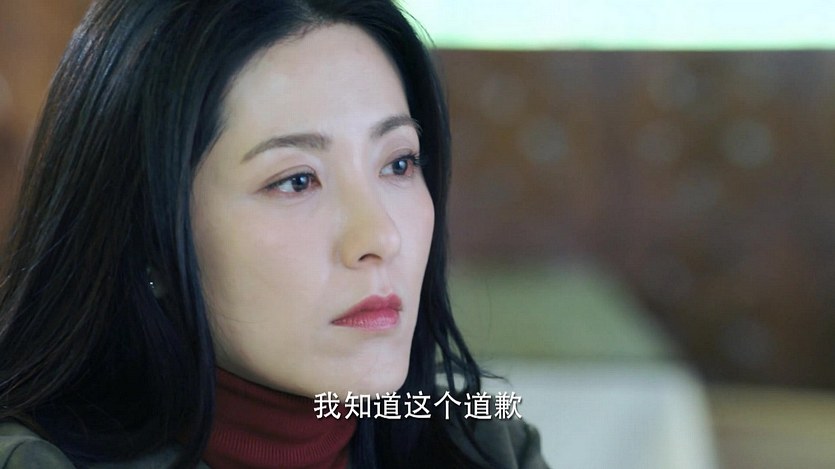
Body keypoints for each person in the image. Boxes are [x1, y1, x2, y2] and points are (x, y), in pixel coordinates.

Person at [0, 1, 548, 467]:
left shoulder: (485, 449)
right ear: (149, 241)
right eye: (296, 180)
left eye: (398, 163)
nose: (381, 236)